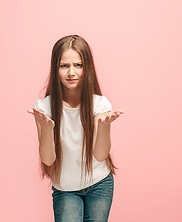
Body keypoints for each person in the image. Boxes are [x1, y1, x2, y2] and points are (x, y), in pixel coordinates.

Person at [27, 34, 123, 222]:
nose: (72, 72)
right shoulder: (44, 108)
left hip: (100, 184)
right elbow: (48, 159)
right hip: (65, 189)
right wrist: (47, 130)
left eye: (78, 65)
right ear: (55, 69)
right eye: (64, 65)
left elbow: (100, 155)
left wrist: (104, 127)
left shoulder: (100, 104)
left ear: (87, 68)